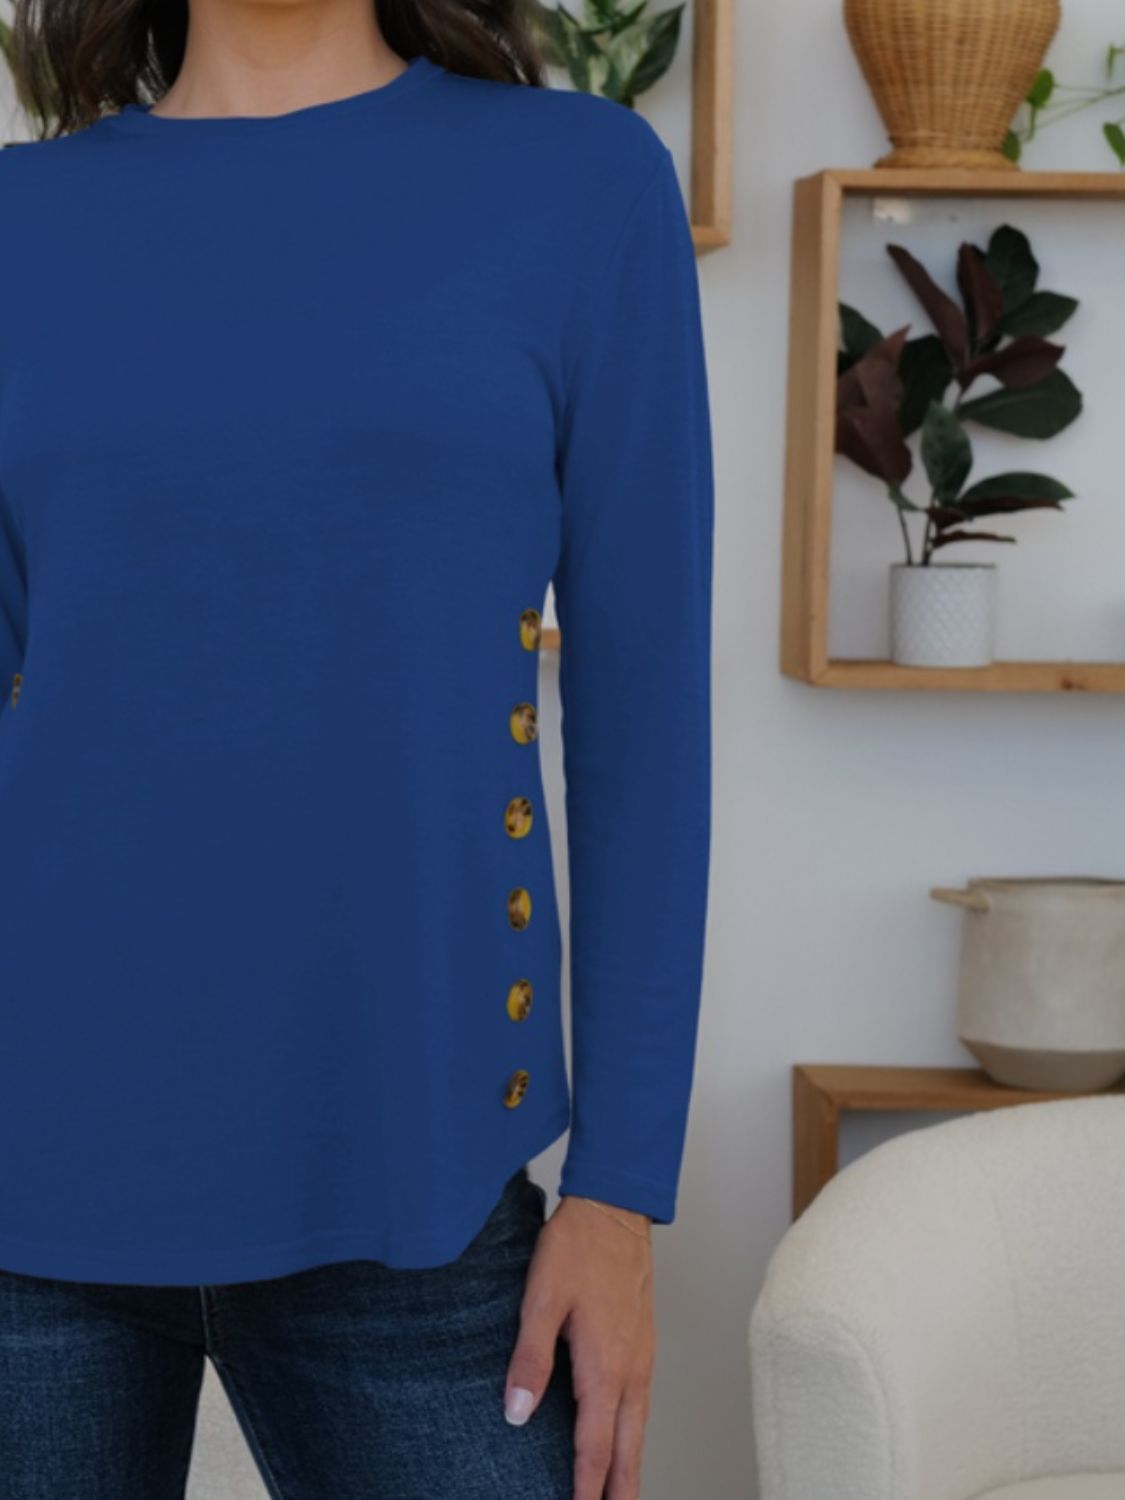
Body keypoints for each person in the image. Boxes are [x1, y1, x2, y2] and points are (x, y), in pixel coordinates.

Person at [0, 0, 714, 1496]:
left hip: (417, 1178)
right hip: (29, 1176)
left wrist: (618, 1193)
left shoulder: (581, 183)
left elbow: (645, 723)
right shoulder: (22, 221)